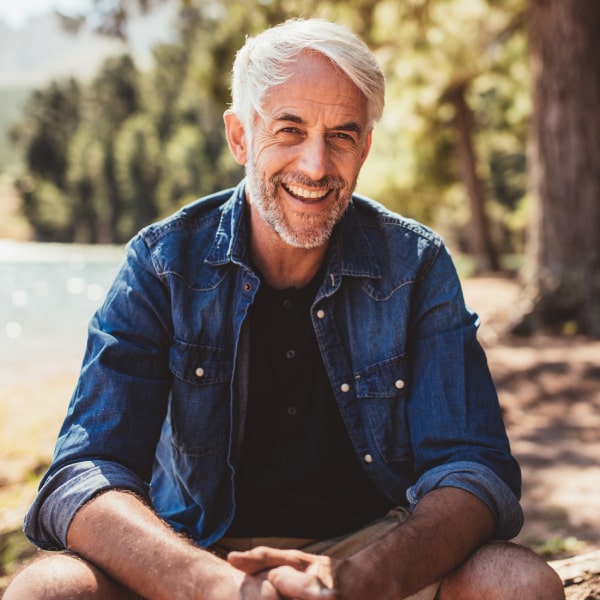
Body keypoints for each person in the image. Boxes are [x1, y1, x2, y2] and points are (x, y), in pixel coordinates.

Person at [5, 17, 564, 600]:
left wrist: (354, 582)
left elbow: (474, 470)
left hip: (376, 552)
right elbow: (84, 472)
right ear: (240, 136)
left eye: (342, 135)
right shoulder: (162, 263)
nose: (316, 165)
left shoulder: (416, 265)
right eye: (289, 129)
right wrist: (217, 587)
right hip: (195, 553)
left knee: (516, 583)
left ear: (365, 147)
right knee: (49, 589)